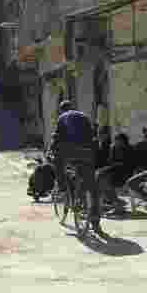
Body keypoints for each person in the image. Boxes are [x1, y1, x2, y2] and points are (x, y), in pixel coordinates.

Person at [50, 99, 103, 234]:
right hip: (88, 152)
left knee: (57, 161)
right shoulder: (83, 116)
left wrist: (51, 150)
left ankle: (62, 187)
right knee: (91, 186)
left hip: (70, 151)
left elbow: (57, 137)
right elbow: (92, 134)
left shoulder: (63, 117)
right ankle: (95, 221)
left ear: (62, 110)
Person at [96, 132, 133, 216]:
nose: (116, 142)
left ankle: (117, 204)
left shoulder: (129, 149)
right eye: (116, 140)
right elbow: (110, 162)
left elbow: (128, 164)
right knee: (100, 180)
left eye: (118, 140)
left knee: (103, 180)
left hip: (124, 175)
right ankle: (116, 203)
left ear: (123, 141)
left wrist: (114, 165)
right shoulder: (113, 148)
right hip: (114, 172)